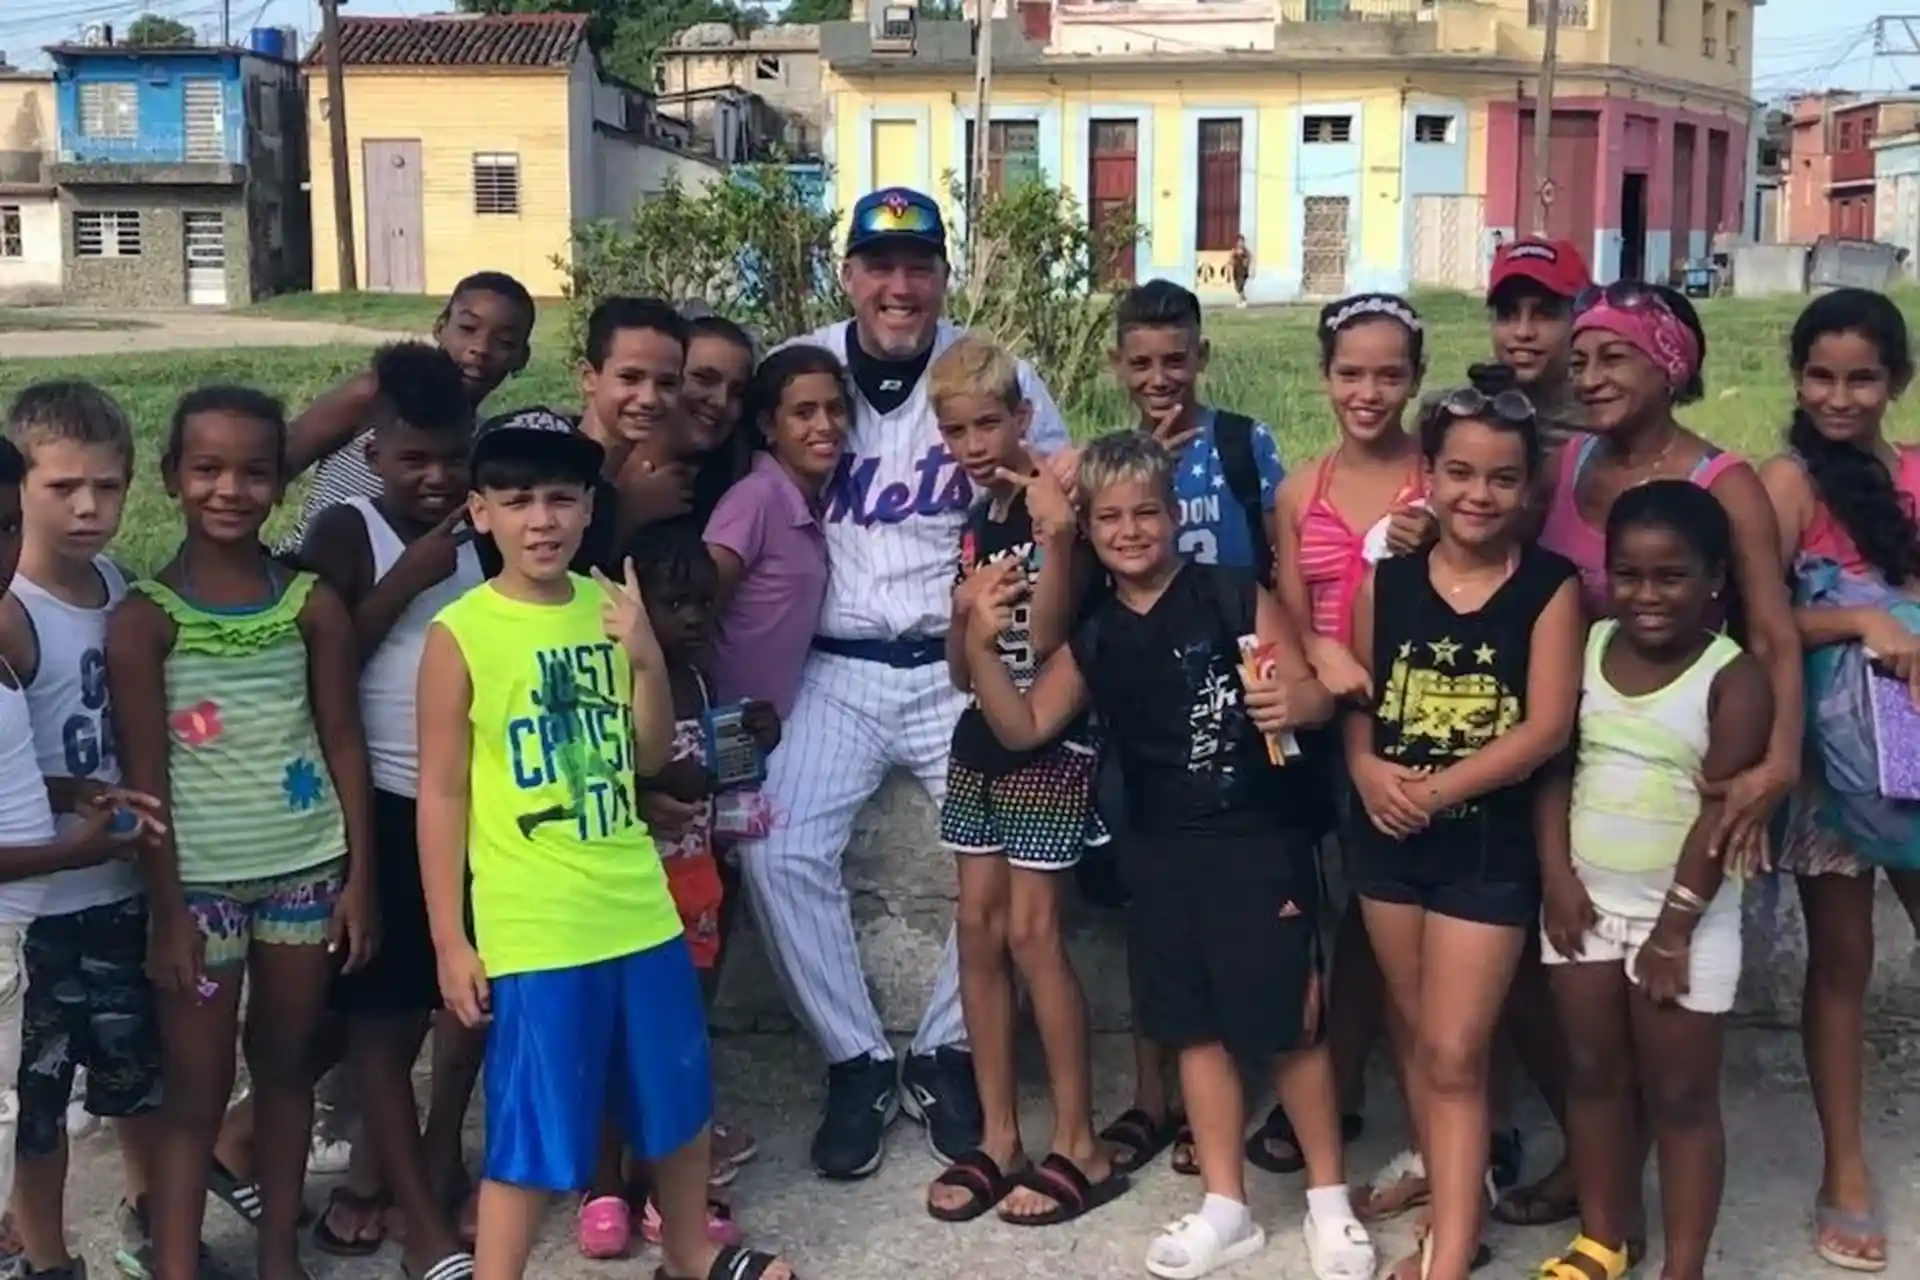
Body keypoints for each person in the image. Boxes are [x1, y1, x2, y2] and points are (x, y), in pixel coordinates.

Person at [962, 431, 1372, 1280]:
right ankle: (1227, 1207)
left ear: (1175, 514)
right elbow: (1024, 725)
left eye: (1146, 512)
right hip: (1158, 850)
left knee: (1291, 1025)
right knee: (1194, 1028)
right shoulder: (1096, 635)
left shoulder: (1233, 593)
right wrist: (977, 644)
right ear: (1088, 528)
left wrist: (1293, 702)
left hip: (1259, 841)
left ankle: (1330, 1202)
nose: (1130, 531)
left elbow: (1310, 695)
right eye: (1110, 518)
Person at [732, 187, 1070, 1180]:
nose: (899, 285)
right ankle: (857, 1059)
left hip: (960, 661)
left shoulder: (990, 370)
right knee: (777, 845)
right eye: (879, 265)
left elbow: (1057, 484)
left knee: (1011, 850)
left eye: (918, 265)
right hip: (835, 666)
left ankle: (949, 1049)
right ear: (848, 276)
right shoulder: (802, 369)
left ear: (942, 277)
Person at [414, 409, 798, 1280]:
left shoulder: (609, 608)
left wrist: (647, 658)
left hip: (636, 903)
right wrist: (450, 938)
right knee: (532, 1122)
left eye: (560, 499)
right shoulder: (461, 634)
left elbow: (649, 754)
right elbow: (441, 792)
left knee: (676, 1091)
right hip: (536, 924)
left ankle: (689, 1251)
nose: (541, 520)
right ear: (481, 513)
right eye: (518, 501)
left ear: (590, 508)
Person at [1517, 283, 1803, 1237]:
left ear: (1670, 365)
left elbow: (1772, 632)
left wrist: (1777, 763)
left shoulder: (1725, 484)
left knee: (1673, 1065)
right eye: (1581, 360)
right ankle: (1599, 1195)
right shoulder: (1566, 465)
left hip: (1693, 761)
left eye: (1615, 358)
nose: (1590, 376)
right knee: (1574, 1031)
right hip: (1581, 749)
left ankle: (1641, 1215)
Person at [106, 386, 377, 1280]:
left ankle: (277, 1259)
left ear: (280, 482)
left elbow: (344, 741)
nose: (230, 489)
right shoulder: (145, 620)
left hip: (307, 874)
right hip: (199, 892)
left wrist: (360, 880)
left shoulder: (311, 606)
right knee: (196, 1090)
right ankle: (177, 1264)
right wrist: (166, 912)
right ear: (170, 478)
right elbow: (146, 780)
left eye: (255, 471)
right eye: (208, 469)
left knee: (288, 1070)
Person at [1343, 377, 1583, 1280]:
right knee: (1416, 1037)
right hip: (1389, 840)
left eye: (1501, 478)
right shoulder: (1389, 582)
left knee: (1455, 1049)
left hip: (1487, 849)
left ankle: (1448, 1252)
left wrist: (1435, 791)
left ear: (1529, 488)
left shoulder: (1551, 589)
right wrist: (1366, 768)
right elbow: (1361, 698)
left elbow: (1546, 728)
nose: (1479, 495)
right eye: (1460, 473)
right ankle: (1454, 1213)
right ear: (1430, 475)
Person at [1536, 481, 1771, 1280]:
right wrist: (1557, 879)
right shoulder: (1590, 646)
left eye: (1671, 577)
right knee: (1593, 1075)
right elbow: (1555, 770)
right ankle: (1604, 1238)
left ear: (1715, 580)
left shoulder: (1733, 677)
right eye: (1629, 575)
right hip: (1585, 909)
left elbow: (1720, 812)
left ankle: (1684, 1266)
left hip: (1686, 922)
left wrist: (1674, 930)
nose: (1647, 595)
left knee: (1681, 1098)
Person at [921, 336, 1117, 1227]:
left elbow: (1044, 638)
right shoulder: (980, 516)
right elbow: (962, 666)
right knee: (976, 928)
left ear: (1023, 417)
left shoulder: (1054, 503)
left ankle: (1079, 1140)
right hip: (982, 734)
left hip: (1051, 738)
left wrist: (1056, 536)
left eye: (986, 425)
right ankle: (1000, 1136)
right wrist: (965, 615)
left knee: (1036, 933)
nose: (971, 445)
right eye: (954, 431)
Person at [297, 342, 482, 1280]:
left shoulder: (484, 531)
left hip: (474, 808)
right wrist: (408, 575)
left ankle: (434, 1159)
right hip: (381, 802)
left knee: (465, 1000)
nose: (436, 476)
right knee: (380, 1016)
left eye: (453, 457)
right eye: (414, 459)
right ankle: (414, 1211)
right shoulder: (348, 531)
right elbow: (318, 666)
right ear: (374, 454)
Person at [1096, 278, 1288, 1179]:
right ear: (1117, 366)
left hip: (1242, 703)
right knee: (1152, 914)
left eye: (1176, 360)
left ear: (1201, 356)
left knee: (1250, 916)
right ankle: (1153, 1095)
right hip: (1148, 710)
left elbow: (1282, 560)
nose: (1160, 378)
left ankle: (1236, 1097)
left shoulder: (1246, 445)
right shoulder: (1116, 461)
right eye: (1141, 363)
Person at [1758, 287, 1920, 1274]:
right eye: (1820, 375)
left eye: (1862, 378)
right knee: (1841, 961)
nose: (1839, 396)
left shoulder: (1913, 475)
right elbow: (1758, 618)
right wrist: (1860, 619)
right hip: (1828, 763)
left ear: (1896, 381)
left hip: (1914, 744)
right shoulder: (1789, 485)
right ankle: (1846, 1168)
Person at [0, 385, 167, 1280]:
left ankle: (152, 1225)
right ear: (21, 487)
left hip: (121, 887)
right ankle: (48, 1256)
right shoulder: (12, 611)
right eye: (63, 487)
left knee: (136, 1078)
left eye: (108, 486)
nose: (88, 508)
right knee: (39, 1102)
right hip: (38, 908)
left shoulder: (121, 587)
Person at [578, 526, 772, 1261]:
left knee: (678, 1041)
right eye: (674, 603)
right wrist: (653, 786)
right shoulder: (610, 678)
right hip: (630, 890)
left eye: (703, 604)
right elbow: (600, 770)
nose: (693, 618)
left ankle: (665, 1192)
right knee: (612, 1041)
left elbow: (711, 772)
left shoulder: (698, 681)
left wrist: (752, 737)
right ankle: (603, 1187)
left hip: (694, 883)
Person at [1269, 294, 1427, 1189]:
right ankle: (1339, 1082)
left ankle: (1427, 1114)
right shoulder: (1302, 490)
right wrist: (1321, 652)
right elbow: (1291, 607)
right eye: (1351, 374)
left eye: (1389, 375)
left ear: (1416, 379)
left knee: (1391, 917)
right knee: (1342, 912)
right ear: (1326, 377)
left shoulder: (1438, 478)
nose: (1369, 393)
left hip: (1415, 722)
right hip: (1328, 721)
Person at [284, 271, 535, 546]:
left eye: (504, 342)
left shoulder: (480, 438)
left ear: (521, 358)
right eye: (467, 329)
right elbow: (280, 460)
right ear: (440, 329)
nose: (481, 349)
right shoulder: (376, 394)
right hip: (311, 564)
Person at [1485, 237, 1593, 456]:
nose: (1523, 332)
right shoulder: (1459, 418)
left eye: (1544, 314)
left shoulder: (1603, 424)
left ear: (1580, 320)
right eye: (1508, 314)